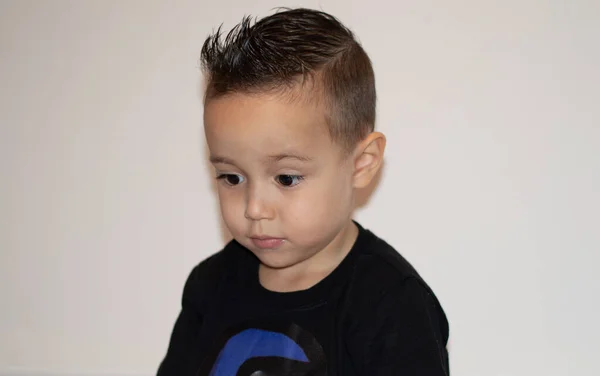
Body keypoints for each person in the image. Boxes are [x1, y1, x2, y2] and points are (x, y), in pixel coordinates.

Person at [157, 7, 449, 376]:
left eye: (286, 178)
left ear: (362, 163)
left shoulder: (391, 304)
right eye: (232, 178)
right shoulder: (211, 287)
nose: (255, 208)